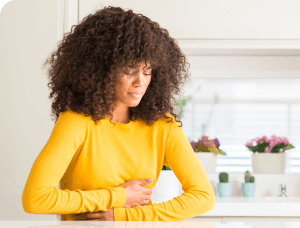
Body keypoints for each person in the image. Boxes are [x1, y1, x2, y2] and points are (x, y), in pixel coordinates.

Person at [22, 6, 215, 221]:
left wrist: (124, 216)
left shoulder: (163, 126)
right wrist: (120, 195)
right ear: (102, 71)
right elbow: (36, 198)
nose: (140, 82)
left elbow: (203, 197)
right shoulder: (76, 122)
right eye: (129, 70)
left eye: (147, 71)